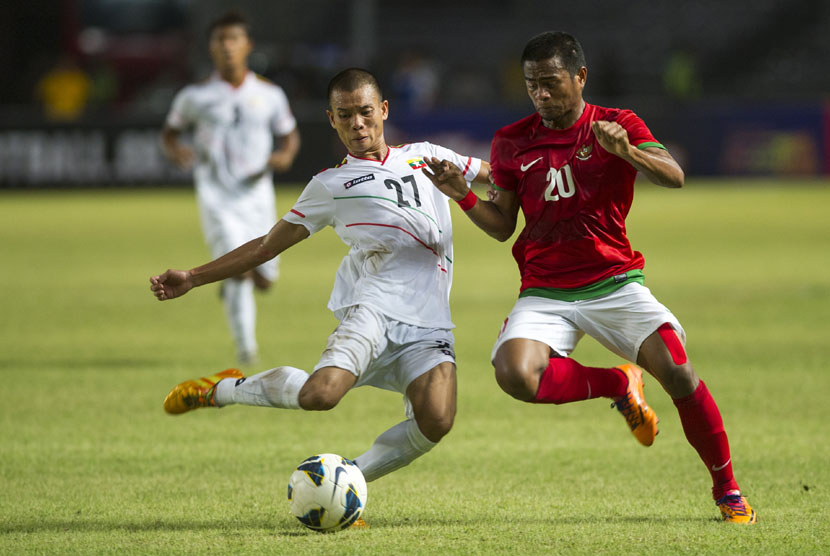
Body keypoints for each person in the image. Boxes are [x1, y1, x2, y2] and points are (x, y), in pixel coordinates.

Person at [423, 31, 756, 524]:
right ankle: (618, 383)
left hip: (614, 281)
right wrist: (462, 194)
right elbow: (501, 227)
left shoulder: (617, 124)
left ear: (580, 77)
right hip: (545, 289)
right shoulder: (511, 141)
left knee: (681, 374)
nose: (541, 94)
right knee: (514, 374)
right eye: (532, 84)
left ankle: (726, 489)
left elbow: (675, 175)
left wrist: (630, 154)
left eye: (551, 83)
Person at [150, 68, 491, 511]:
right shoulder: (330, 185)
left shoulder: (427, 155)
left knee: (437, 421)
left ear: (383, 110)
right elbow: (267, 246)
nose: (358, 124)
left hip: (429, 321)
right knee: (320, 396)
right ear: (332, 119)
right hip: (373, 308)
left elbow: (499, 175)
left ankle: (348, 482)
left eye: (366, 112)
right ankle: (227, 388)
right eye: (345, 115)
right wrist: (194, 277)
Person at [161, 11, 301, 365]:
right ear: (211, 47)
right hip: (216, 196)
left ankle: (231, 278)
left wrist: (284, 157)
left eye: (233, 39)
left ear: (248, 45)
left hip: (256, 196)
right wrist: (177, 150)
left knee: (265, 278)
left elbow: (290, 137)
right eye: (220, 40)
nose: (226, 46)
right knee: (240, 269)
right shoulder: (195, 96)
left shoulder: (270, 94)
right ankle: (246, 350)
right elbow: (170, 133)